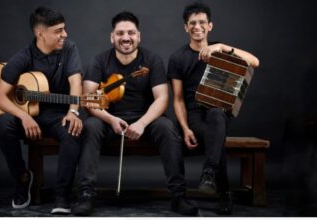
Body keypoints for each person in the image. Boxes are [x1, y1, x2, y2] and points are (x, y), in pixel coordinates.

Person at [72, 11, 198, 216]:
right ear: (112, 37)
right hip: (108, 120)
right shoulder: (99, 61)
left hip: (146, 120)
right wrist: (111, 119)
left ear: (139, 36)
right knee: (91, 126)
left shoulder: (152, 60)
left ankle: (179, 196)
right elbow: (88, 100)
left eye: (131, 33)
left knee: (167, 128)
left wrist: (142, 123)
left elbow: (162, 99)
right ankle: (86, 195)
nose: (126, 38)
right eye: (120, 33)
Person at [168, 2, 260, 215]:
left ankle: (209, 172)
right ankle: (224, 191)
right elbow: (179, 99)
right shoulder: (177, 58)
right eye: (192, 23)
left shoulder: (222, 49)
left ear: (210, 26)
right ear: (185, 27)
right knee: (214, 136)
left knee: (217, 114)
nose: (197, 27)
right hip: (194, 113)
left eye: (202, 22)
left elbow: (254, 62)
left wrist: (221, 48)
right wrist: (185, 128)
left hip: (219, 109)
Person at [0, 6, 83, 214]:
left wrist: (73, 111)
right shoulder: (23, 56)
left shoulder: (69, 48)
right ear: (40, 33)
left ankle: (62, 195)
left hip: (57, 115)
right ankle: (22, 177)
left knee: (74, 130)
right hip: (27, 115)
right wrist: (23, 116)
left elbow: (75, 82)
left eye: (64, 29)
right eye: (58, 31)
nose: (65, 34)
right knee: (2, 123)